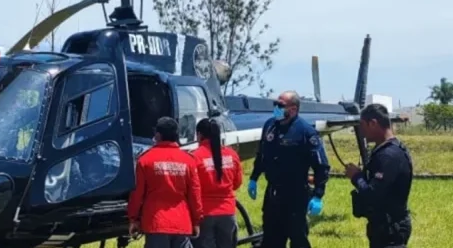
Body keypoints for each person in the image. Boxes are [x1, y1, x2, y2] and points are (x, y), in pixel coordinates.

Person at [247, 91, 330, 248]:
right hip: (273, 194)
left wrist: (318, 194)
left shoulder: (306, 132)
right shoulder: (270, 126)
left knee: (298, 238)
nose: (276, 108)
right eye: (275, 104)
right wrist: (254, 178)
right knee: (270, 239)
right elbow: (262, 155)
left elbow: (321, 166)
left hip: (295, 195)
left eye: (280, 105)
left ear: (293, 109)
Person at [127, 116, 204, 248]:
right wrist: (196, 221)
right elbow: (195, 194)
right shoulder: (188, 161)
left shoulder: (145, 160)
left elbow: (137, 194)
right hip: (181, 223)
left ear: (158, 135)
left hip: (156, 224)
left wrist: (133, 219)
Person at [344, 103, 413, 248]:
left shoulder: (389, 156)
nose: (361, 131)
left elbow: (372, 193)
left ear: (373, 123)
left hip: (390, 229)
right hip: (382, 227)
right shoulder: (383, 151)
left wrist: (356, 177)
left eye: (362, 126)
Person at [190, 118, 243, 248]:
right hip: (228, 213)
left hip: (204, 215)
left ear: (199, 135)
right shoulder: (232, 155)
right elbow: (237, 183)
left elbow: (191, 188)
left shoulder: (194, 157)